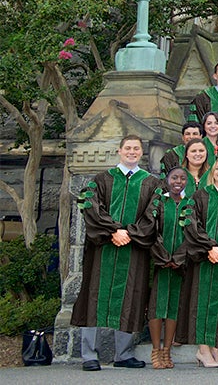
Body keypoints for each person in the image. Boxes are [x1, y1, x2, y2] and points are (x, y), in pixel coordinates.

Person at [72, 135, 160, 371]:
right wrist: (113, 231)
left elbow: (153, 213)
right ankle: (89, 355)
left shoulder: (151, 183)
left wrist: (129, 233)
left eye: (136, 149)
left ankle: (124, 354)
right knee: (93, 296)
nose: (132, 152)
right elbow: (89, 204)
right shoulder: (101, 180)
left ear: (141, 153)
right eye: (128, 148)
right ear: (119, 151)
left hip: (133, 249)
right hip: (103, 249)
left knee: (131, 297)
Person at [177, 156, 218, 368]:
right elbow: (191, 225)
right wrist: (210, 247)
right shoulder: (200, 195)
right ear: (212, 171)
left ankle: (215, 346)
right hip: (204, 257)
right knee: (202, 303)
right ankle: (203, 350)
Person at [148, 166, 189, 368]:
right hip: (160, 263)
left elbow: (192, 234)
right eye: (174, 177)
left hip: (179, 264)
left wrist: (178, 257)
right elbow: (151, 230)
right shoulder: (159, 202)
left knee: (173, 306)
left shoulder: (189, 204)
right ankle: (156, 350)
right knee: (157, 305)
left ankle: (167, 351)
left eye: (182, 178)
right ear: (167, 179)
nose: (178, 181)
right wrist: (163, 257)